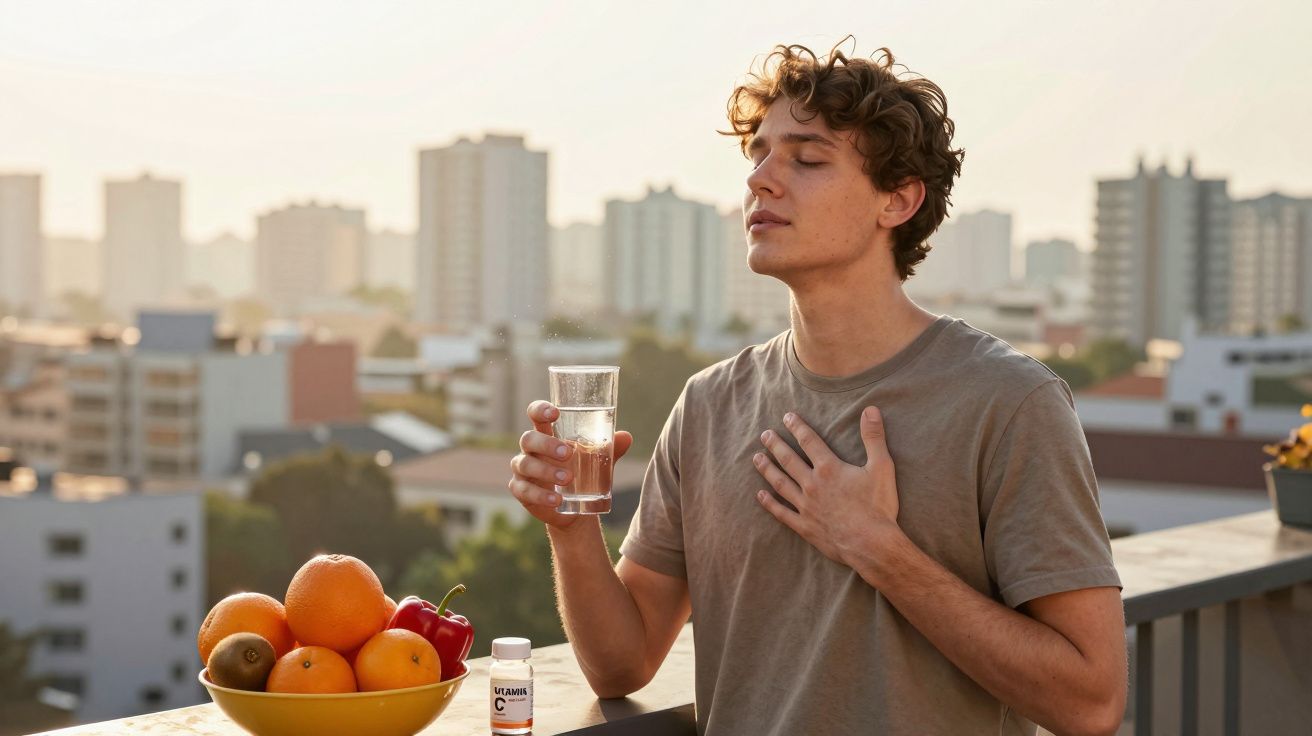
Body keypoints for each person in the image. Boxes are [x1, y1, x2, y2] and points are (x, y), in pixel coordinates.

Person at [509, 40, 1126, 735]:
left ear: (897, 200)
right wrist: (571, 530)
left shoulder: (1009, 404)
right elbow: (621, 665)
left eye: (807, 159)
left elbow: (1090, 702)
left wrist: (880, 552)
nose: (762, 181)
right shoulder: (710, 404)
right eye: (759, 156)